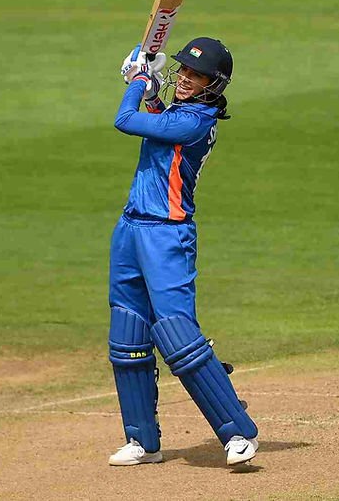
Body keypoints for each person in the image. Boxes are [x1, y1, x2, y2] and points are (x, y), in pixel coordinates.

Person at [106, 38, 258, 467]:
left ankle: (237, 434)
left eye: (195, 76)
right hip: (131, 228)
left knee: (177, 335)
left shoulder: (196, 121)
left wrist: (138, 81)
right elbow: (155, 116)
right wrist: (153, 89)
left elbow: (125, 119)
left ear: (213, 85)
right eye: (183, 72)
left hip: (167, 236)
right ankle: (142, 440)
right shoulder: (177, 113)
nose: (185, 79)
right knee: (127, 332)